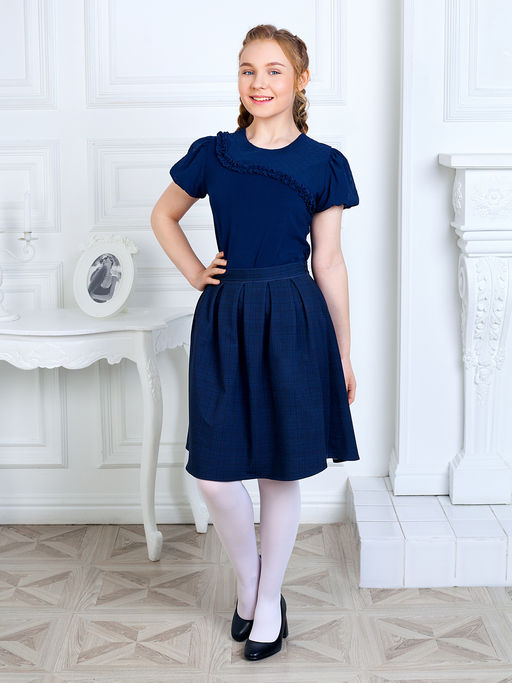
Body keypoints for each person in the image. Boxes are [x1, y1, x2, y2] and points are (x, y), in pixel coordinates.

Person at [151, 24, 360, 662]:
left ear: (301, 80)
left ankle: (268, 600)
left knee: (278, 468)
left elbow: (329, 261)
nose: (259, 82)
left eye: (274, 70)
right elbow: (163, 215)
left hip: (294, 316)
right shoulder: (214, 154)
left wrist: (344, 352)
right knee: (215, 477)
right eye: (248, 70)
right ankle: (249, 582)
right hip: (226, 314)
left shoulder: (323, 162)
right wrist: (196, 272)